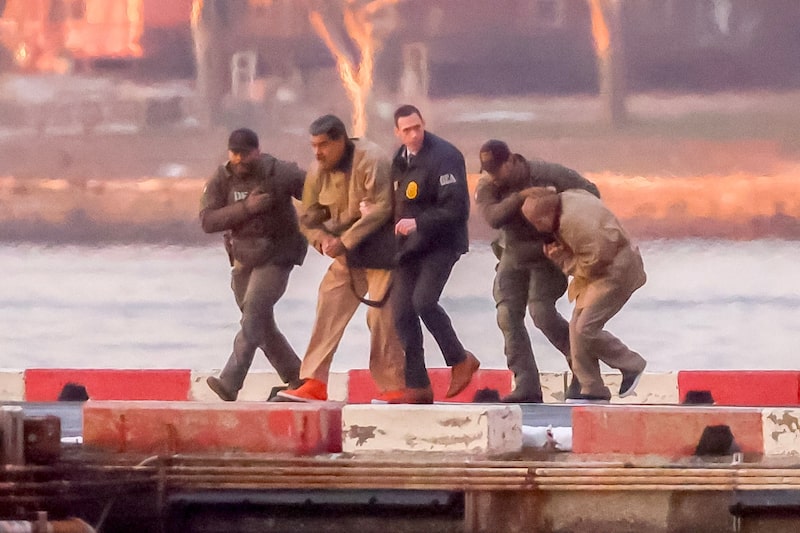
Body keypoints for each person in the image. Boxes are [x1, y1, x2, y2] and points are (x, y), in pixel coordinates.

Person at [277, 114, 405, 402]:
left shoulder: (372, 160)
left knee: (381, 318)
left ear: (340, 141)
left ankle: (393, 385)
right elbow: (307, 217)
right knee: (329, 303)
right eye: (313, 145)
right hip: (346, 257)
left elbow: (382, 208)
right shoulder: (317, 171)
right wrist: (321, 240)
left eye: (323, 145)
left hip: (383, 252)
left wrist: (344, 240)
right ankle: (314, 381)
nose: (318, 152)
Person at [475, 140, 600, 403]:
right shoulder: (488, 185)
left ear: (510, 161)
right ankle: (526, 384)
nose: (493, 177)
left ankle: (583, 371)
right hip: (513, 252)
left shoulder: (546, 174)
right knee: (507, 315)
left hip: (548, 253)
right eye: (489, 171)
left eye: (498, 170)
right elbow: (493, 217)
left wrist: (564, 223)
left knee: (542, 313)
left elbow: (590, 193)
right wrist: (521, 196)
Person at [200, 128, 307, 401]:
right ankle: (298, 378)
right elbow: (208, 221)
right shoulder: (221, 179)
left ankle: (230, 381)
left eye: (245, 154)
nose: (239, 159)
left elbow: (315, 191)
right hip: (243, 257)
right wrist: (247, 208)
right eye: (234, 153)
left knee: (254, 313)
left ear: (257, 152)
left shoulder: (277, 172)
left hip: (277, 254)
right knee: (261, 325)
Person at [387, 104, 480, 404]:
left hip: (442, 242)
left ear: (424, 124)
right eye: (407, 130)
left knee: (424, 301)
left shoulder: (445, 156)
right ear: (397, 133)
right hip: (411, 248)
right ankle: (418, 386)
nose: (414, 134)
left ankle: (460, 359)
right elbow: (399, 201)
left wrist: (418, 222)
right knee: (401, 312)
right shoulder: (399, 160)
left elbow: (456, 209)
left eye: (418, 127)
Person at [521, 188, 647, 403]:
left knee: (586, 327)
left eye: (536, 223)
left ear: (545, 217)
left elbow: (596, 259)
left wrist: (562, 259)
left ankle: (631, 363)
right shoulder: (569, 199)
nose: (536, 229)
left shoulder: (574, 225)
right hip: (603, 270)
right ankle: (592, 387)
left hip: (616, 271)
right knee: (575, 328)